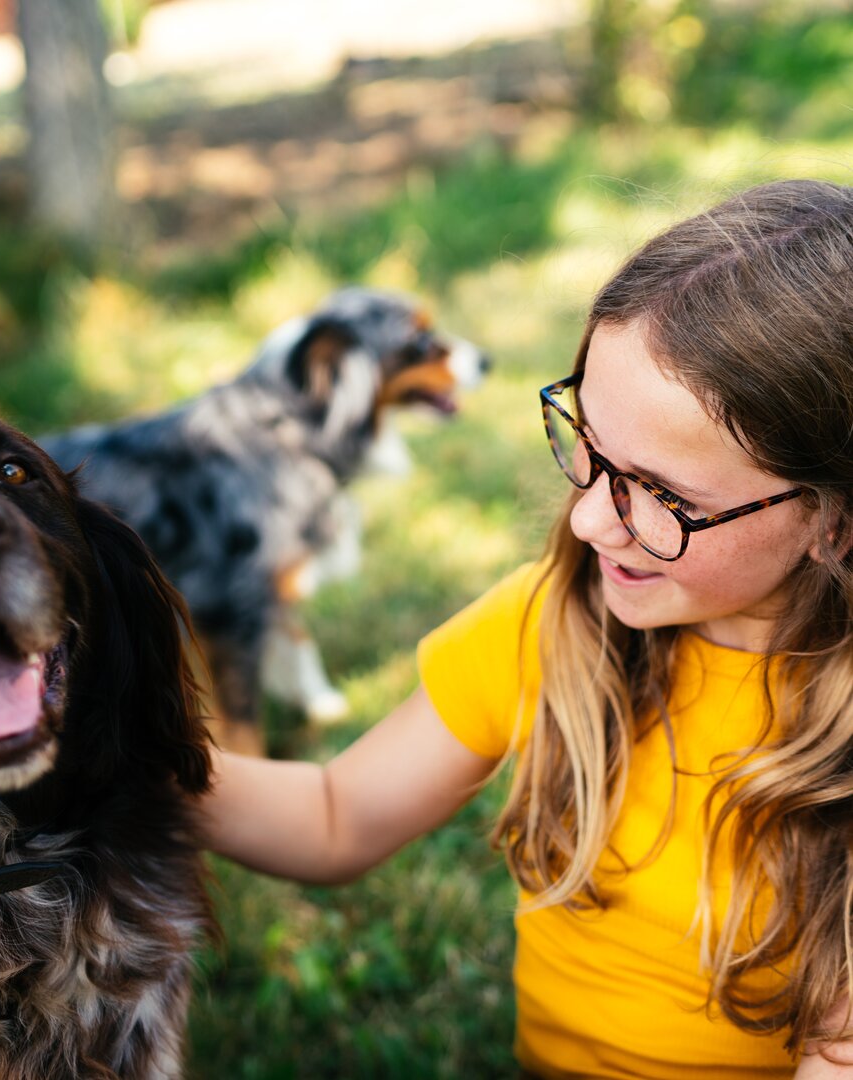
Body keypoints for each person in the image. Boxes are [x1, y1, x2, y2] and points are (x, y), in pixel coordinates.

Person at [200, 179, 853, 1079]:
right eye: (588, 445)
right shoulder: (556, 619)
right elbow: (335, 818)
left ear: (833, 521)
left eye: (663, 496)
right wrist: (106, 756)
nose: (588, 522)